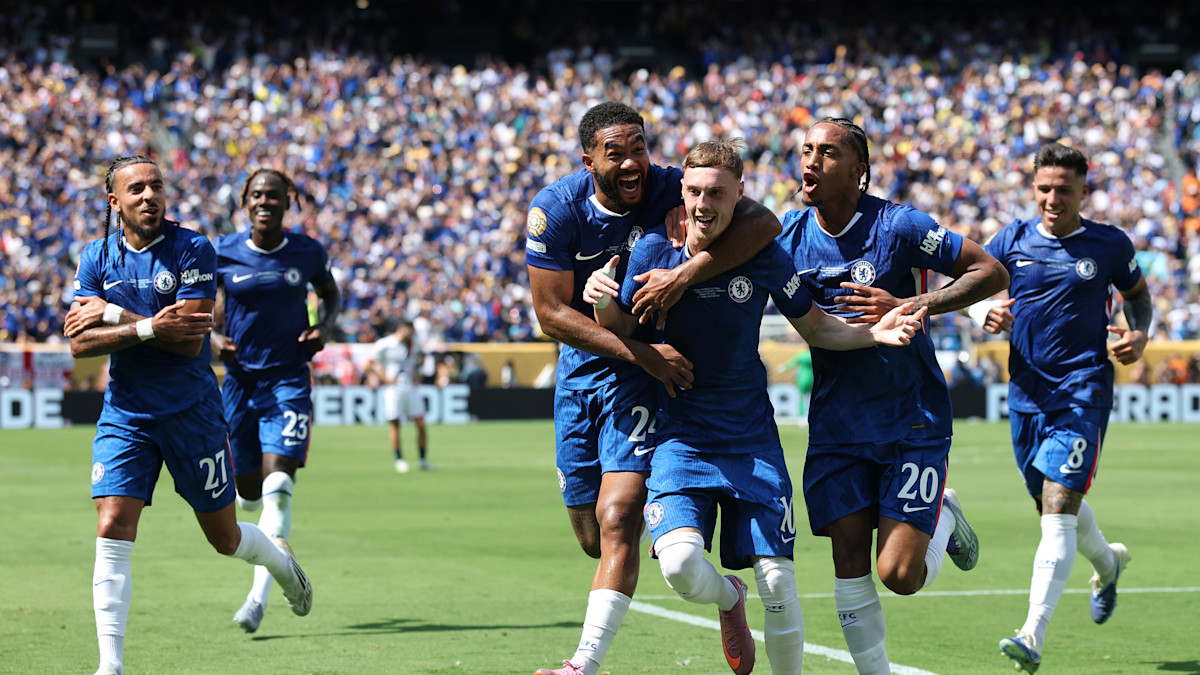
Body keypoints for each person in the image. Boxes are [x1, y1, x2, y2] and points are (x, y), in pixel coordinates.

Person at [585, 138, 925, 675]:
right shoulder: (652, 250)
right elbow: (624, 327)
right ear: (682, 189)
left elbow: (815, 325)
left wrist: (871, 335)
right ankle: (727, 598)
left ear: (738, 193)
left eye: (717, 192)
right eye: (694, 191)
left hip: (752, 439)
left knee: (780, 582)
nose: (703, 204)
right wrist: (604, 299)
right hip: (682, 437)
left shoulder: (765, 255)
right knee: (677, 564)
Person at [526, 102, 781, 675]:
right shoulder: (555, 209)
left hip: (644, 382)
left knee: (619, 518)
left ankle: (584, 664)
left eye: (638, 147)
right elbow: (549, 315)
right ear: (588, 160)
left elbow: (764, 224)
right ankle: (728, 595)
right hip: (584, 373)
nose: (632, 162)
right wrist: (640, 350)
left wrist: (685, 273)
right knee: (594, 535)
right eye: (615, 153)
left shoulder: (675, 187)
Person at [774, 118, 1009, 674]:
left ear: (859, 172)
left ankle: (943, 516)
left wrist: (917, 305)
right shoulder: (786, 235)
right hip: (836, 425)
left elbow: (990, 270)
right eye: (806, 150)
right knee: (848, 561)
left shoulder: (900, 226)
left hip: (912, 419)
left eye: (827, 153)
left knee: (899, 575)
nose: (810, 161)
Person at [63, 156, 311, 675]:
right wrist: (151, 324)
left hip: (192, 412)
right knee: (112, 523)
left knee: (224, 539)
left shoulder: (193, 247)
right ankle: (110, 666)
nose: (150, 195)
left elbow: (189, 338)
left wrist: (113, 315)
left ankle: (282, 565)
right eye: (137, 189)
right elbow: (79, 343)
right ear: (115, 202)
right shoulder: (95, 257)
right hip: (126, 412)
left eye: (157, 186)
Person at [971, 142, 1151, 673]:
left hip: (1083, 391)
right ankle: (1109, 562)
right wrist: (984, 310)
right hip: (1026, 394)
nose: (1053, 198)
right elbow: (973, 288)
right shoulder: (1012, 240)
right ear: (1034, 188)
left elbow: (1139, 297)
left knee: (1057, 511)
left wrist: (1138, 336)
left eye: (1064, 190)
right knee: (1051, 507)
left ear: (1082, 192)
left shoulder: (1109, 245)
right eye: (1044, 188)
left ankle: (1032, 634)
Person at [211, 168, 340, 633]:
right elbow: (200, 306)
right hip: (240, 384)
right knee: (247, 495)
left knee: (278, 486)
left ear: (289, 202)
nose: (265, 201)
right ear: (244, 202)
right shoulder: (221, 252)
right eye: (256, 195)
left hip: (288, 381)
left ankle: (260, 598)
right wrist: (212, 337)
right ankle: (271, 547)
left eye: (274, 195)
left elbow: (330, 295)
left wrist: (323, 329)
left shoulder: (307, 251)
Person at [368, 319, 431, 472]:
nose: (412, 334)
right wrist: (384, 378)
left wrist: (419, 374)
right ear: (402, 329)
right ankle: (399, 459)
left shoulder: (413, 344)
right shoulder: (385, 344)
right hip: (393, 389)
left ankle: (423, 459)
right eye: (410, 331)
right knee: (395, 423)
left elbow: (422, 357)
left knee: (421, 424)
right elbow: (369, 363)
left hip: (410, 387)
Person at [776, 347, 813, 425]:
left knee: (802, 398)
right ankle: (810, 416)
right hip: (814, 379)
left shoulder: (802, 355)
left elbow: (792, 363)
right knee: (812, 398)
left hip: (803, 379)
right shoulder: (815, 355)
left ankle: (802, 417)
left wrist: (783, 368)